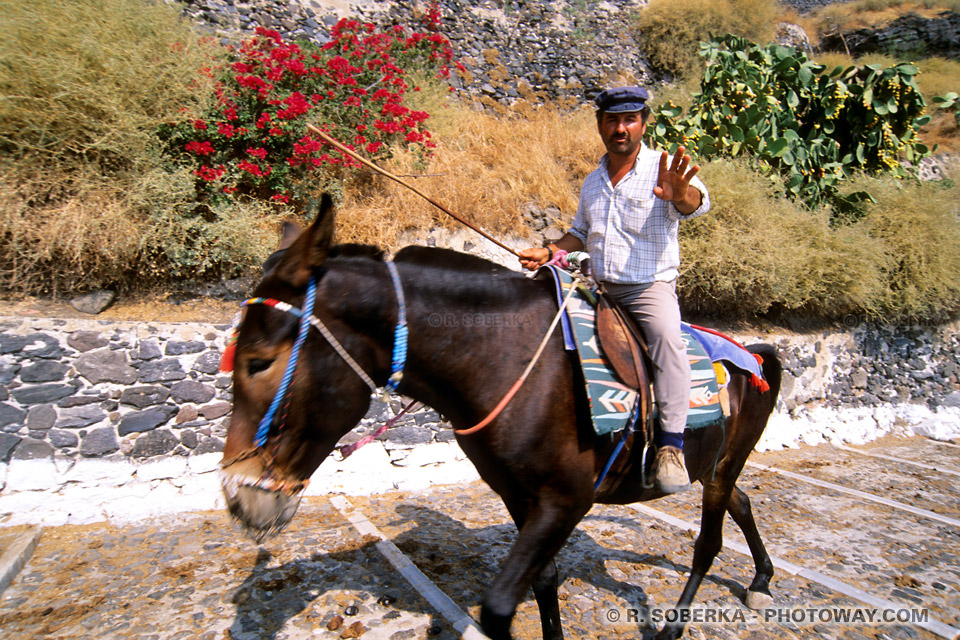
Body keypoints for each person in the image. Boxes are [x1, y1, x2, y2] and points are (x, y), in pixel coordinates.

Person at [519, 86, 710, 494]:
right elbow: (581, 234)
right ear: (600, 124)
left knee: (666, 340)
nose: (620, 128)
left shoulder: (664, 167)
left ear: (643, 123)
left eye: (629, 119)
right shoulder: (593, 181)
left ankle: (671, 447)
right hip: (599, 286)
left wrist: (682, 195)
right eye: (612, 120)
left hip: (648, 288)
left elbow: (696, 203)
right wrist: (550, 250)